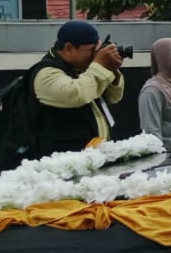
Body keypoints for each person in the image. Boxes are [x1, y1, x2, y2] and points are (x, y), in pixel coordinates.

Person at [28, 19, 125, 157]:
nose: (95, 55)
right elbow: (75, 94)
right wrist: (100, 65)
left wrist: (112, 70)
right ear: (69, 48)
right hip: (63, 163)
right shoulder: (45, 73)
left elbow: (113, 97)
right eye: (91, 50)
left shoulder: (82, 68)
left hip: (92, 158)